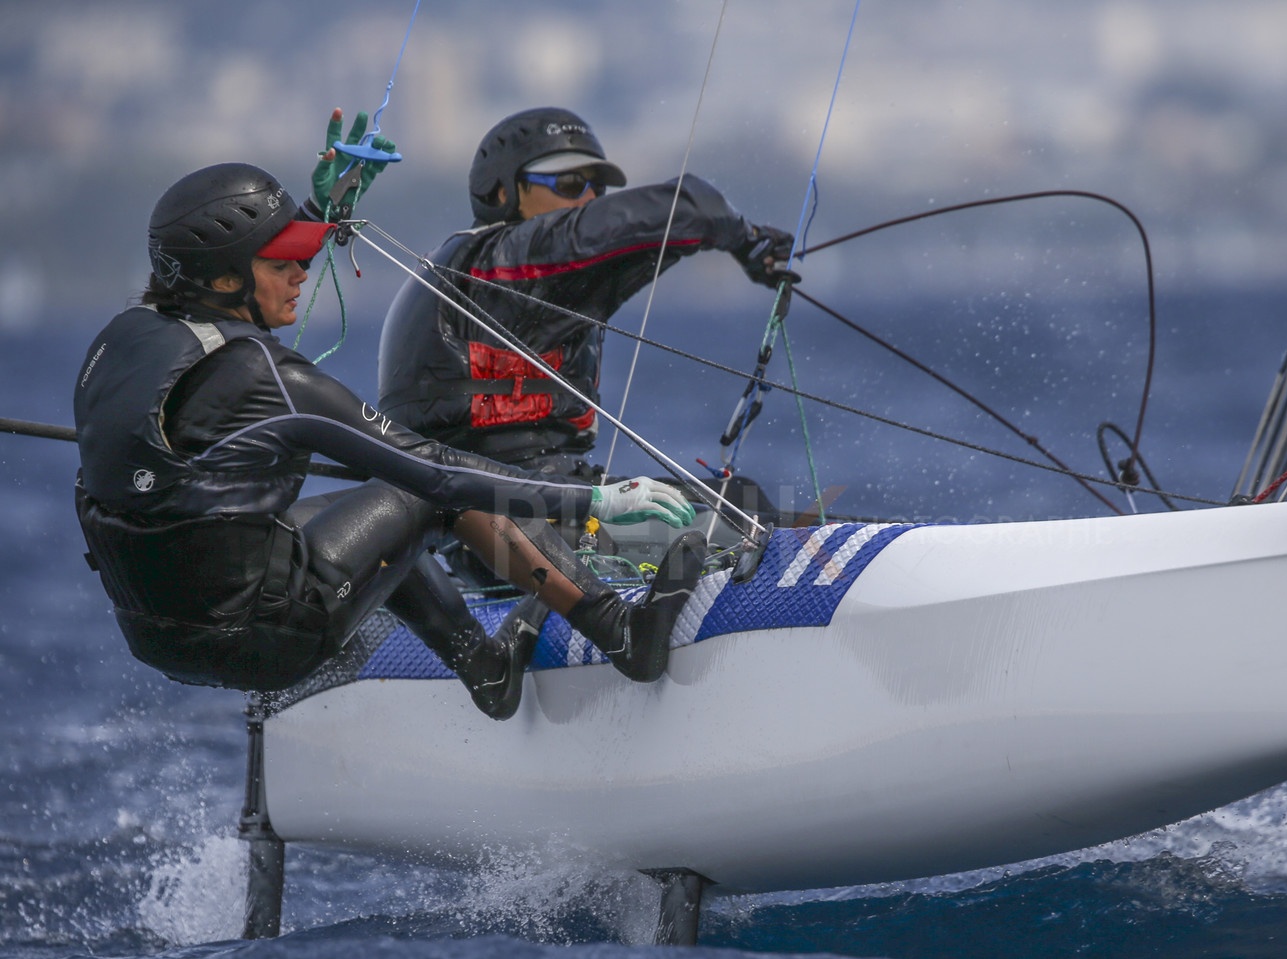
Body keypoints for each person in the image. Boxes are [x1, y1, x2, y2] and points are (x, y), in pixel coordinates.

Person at [73, 134, 706, 722]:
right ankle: (622, 632)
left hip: (159, 633)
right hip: (265, 641)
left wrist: (320, 212)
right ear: (224, 280)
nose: (302, 273)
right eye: (282, 261)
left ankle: (488, 670)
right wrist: (594, 500)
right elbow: (436, 471)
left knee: (365, 504)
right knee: (428, 489)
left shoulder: (120, 345)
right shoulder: (270, 378)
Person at [376, 106, 797, 482]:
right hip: (497, 500)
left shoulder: (534, 271)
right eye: (571, 183)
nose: (591, 198)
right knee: (737, 511)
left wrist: (739, 245)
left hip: (543, 487)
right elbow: (692, 209)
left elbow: (658, 237)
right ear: (503, 193)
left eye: (597, 187)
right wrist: (746, 238)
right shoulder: (500, 260)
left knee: (740, 497)